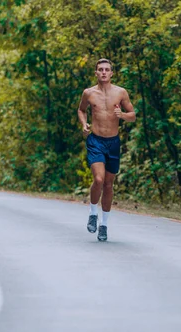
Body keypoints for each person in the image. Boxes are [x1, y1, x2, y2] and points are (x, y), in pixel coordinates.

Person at [77, 59, 136, 241]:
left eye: (107, 70)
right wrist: (84, 124)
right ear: (96, 73)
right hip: (95, 140)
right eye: (100, 70)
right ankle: (93, 212)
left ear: (111, 73)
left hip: (113, 142)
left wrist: (122, 115)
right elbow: (81, 110)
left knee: (109, 184)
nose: (103, 72)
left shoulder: (120, 93)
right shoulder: (89, 93)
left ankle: (104, 225)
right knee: (99, 179)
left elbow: (133, 116)